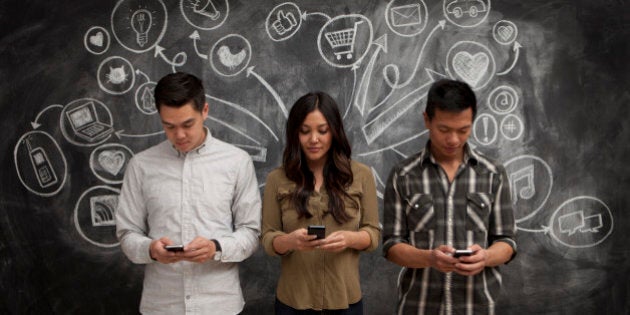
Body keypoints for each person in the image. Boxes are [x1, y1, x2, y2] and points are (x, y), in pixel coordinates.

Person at [116, 72, 261, 314]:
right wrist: (150, 250)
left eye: (187, 124)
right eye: (169, 126)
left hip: (219, 304)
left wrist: (216, 247)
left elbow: (251, 233)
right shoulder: (141, 166)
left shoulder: (237, 162)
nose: (179, 135)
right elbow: (127, 234)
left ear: (204, 110)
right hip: (162, 305)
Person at [382, 79, 517, 315]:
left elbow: (507, 241)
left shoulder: (493, 173)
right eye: (444, 129)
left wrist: (485, 257)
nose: (453, 139)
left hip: (478, 307)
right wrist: (428, 258)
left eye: (463, 130)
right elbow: (391, 245)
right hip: (419, 307)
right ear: (427, 120)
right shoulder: (403, 174)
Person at [261, 91, 381, 314]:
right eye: (305, 131)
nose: (313, 139)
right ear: (295, 133)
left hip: (345, 300)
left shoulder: (362, 175)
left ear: (334, 131)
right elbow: (268, 238)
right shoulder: (276, 179)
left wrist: (350, 239)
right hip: (293, 302)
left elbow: (373, 234)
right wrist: (289, 241)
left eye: (322, 131)